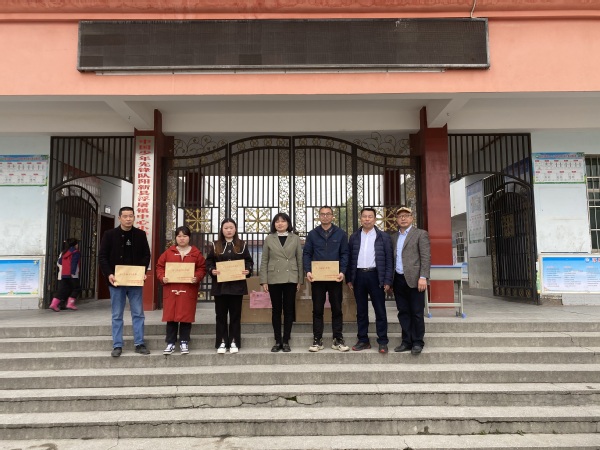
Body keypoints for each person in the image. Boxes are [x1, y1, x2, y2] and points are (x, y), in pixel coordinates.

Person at [98, 206, 151, 357]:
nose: (128, 219)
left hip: (134, 282)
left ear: (134, 217)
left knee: (138, 313)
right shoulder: (109, 235)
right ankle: (117, 345)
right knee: (117, 314)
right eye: (125, 216)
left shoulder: (140, 234)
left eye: (131, 216)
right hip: (116, 281)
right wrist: (109, 274)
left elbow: (146, 255)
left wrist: (142, 272)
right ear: (119, 218)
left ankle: (139, 343)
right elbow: (102, 257)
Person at [346, 207, 393, 354]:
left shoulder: (383, 237)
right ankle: (363, 340)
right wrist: (349, 278)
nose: (367, 219)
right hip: (359, 276)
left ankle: (383, 341)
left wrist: (387, 280)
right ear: (360, 219)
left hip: (376, 276)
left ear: (375, 219)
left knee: (380, 310)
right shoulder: (354, 237)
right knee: (361, 311)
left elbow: (389, 260)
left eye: (370, 216)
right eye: (364, 216)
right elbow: (350, 259)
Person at [303, 206, 350, 352]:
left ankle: (338, 339)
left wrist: (342, 271)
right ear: (319, 216)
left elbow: (345, 254)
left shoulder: (341, 234)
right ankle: (317, 340)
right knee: (317, 309)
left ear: (332, 216)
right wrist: (308, 271)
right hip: (317, 278)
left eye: (328, 214)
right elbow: (307, 254)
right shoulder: (312, 234)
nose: (325, 216)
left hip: (335, 278)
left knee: (337, 309)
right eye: (322, 214)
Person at [156, 225, 207, 355]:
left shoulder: (196, 253)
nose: (182, 238)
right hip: (171, 289)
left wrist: (197, 277)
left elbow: (202, 268)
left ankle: (184, 341)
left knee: (186, 316)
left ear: (189, 237)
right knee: (171, 317)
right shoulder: (168, 252)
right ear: (176, 238)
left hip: (188, 289)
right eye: (179, 236)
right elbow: (159, 267)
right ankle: (170, 342)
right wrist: (162, 277)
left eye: (184, 236)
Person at [206, 218, 253, 354]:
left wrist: (247, 270)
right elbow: (209, 262)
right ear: (222, 230)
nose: (228, 230)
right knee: (220, 315)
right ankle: (221, 342)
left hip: (237, 286)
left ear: (235, 229)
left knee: (235, 315)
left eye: (231, 227)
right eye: (226, 228)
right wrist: (212, 270)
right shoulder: (215, 245)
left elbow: (249, 261)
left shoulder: (242, 245)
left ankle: (234, 341)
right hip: (220, 286)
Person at [260, 213, 303, 352]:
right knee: (276, 310)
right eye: (277, 221)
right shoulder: (269, 238)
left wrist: (300, 279)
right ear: (274, 224)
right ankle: (277, 340)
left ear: (288, 223)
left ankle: (286, 340)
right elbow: (264, 260)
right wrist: (264, 280)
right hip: (274, 277)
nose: (280, 224)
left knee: (289, 309)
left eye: (283, 221)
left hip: (291, 276)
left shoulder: (295, 238)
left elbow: (299, 259)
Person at [391, 206, 431, 355]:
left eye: (406, 215)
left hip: (416, 279)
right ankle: (406, 341)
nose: (403, 218)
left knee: (417, 312)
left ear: (412, 218)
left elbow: (426, 257)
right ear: (396, 219)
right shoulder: (393, 237)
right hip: (398, 279)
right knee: (403, 312)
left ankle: (418, 342)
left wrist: (423, 277)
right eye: (400, 216)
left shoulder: (420, 234)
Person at [50, 238, 81, 312]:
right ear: (74, 245)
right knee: (77, 288)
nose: (77, 245)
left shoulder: (64, 252)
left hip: (64, 274)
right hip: (72, 274)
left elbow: (60, 262)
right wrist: (73, 272)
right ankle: (70, 303)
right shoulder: (76, 252)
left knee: (63, 290)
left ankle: (54, 304)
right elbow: (74, 263)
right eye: (77, 244)